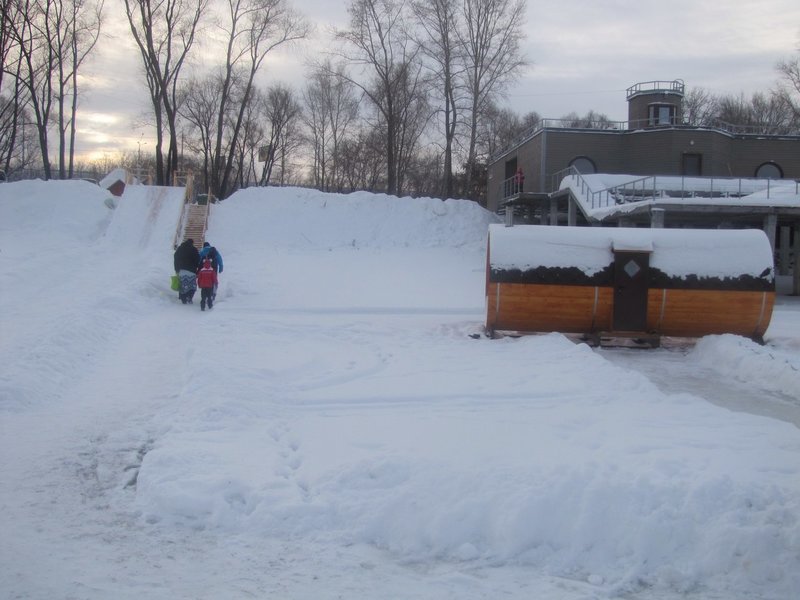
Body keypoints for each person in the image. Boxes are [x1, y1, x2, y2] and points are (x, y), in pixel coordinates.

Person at [173, 238, 200, 304]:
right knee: (192, 286)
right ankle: (190, 297)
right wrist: (197, 268)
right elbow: (198, 259)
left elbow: (175, 258)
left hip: (181, 271)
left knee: (182, 285)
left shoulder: (179, 249)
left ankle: (183, 298)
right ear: (192, 243)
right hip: (192, 271)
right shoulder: (194, 249)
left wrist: (176, 269)